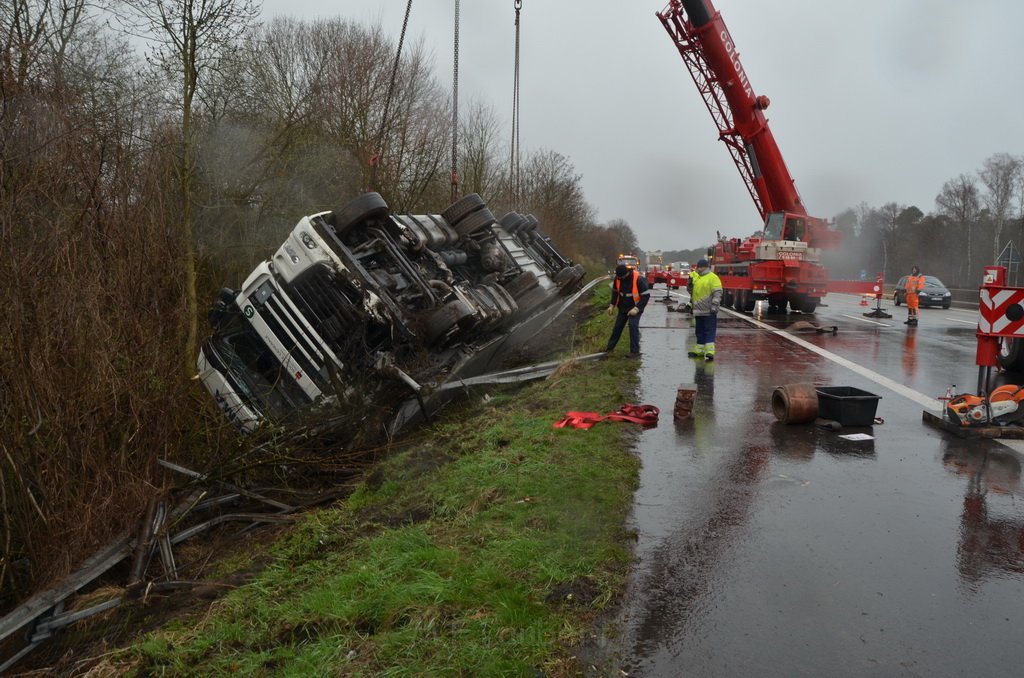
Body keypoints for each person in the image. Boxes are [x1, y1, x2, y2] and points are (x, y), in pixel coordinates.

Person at [605, 264, 651, 357]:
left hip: (636, 307)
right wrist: (612, 305)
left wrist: (637, 308)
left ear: (626, 274)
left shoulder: (639, 279)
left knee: (633, 325)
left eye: (622, 277)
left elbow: (645, 296)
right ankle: (609, 349)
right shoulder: (618, 279)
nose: (620, 279)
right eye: (619, 277)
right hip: (623, 307)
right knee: (617, 327)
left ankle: (635, 352)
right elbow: (615, 292)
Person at [688, 258, 723, 361]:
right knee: (699, 331)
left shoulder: (713, 278)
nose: (697, 269)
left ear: (704, 267)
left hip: (709, 310)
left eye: (699, 267)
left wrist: (714, 306)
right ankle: (700, 350)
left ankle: (709, 352)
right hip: (698, 311)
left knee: (709, 331)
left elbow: (717, 293)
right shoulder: (698, 278)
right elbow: (693, 293)